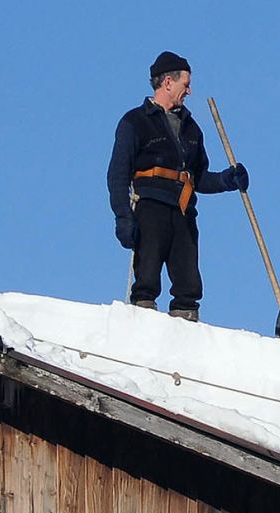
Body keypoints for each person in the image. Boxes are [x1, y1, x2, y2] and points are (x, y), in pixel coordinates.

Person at [106, 51, 249, 322]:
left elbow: (199, 177)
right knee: (147, 276)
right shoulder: (135, 121)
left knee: (188, 282)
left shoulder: (191, 128)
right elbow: (117, 175)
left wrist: (227, 180)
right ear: (168, 82)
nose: (189, 91)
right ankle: (142, 320)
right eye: (186, 84)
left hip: (183, 209)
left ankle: (186, 322)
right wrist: (123, 216)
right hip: (150, 205)